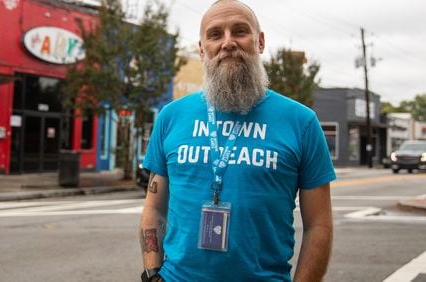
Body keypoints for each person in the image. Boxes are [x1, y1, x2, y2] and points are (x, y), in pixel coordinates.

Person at [139, 0, 336, 281]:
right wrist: (152, 272)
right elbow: (154, 207)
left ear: (260, 42)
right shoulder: (171, 117)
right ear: (202, 49)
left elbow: (319, 224)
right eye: (215, 34)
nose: (228, 42)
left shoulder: (301, 122)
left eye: (240, 31)